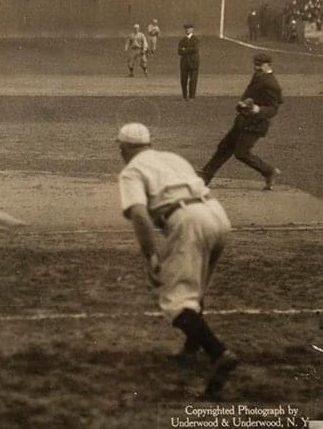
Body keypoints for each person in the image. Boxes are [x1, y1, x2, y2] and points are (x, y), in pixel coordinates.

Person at [115, 122, 238, 397]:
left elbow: (139, 214)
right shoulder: (172, 157)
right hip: (217, 214)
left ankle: (219, 353)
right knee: (195, 287)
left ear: (123, 148)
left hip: (188, 221)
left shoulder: (131, 171)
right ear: (148, 143)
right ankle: (190, 350)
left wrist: (151, 257)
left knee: (175, 297)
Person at [197, 53, 282, 190]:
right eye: (255, 64)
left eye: (259, 65)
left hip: (256, 125)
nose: (256, 67)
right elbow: (251, 94)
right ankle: (206, 175)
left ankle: (269, 171)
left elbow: (274, 109)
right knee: (224, 146)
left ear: (268, 65)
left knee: (241, 153)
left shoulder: (272, 83)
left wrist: (258, 109)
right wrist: (242, 104)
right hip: (243, 120)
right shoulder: (259, 76)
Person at [178, 23, 200, 100]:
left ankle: (192, 96)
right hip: (184, 63)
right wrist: (187, 50)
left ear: (192, 29)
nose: (187, 30)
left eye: (189, 28)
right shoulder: (182, 40)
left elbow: (195, 49)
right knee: (183, 81)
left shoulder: (195, 39)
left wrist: (185, 49)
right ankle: (184, 96)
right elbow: (179, 51)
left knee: (193, 80)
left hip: (193, 63)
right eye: (186, 28)